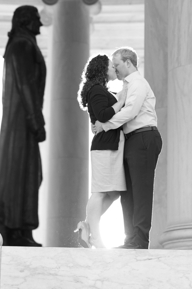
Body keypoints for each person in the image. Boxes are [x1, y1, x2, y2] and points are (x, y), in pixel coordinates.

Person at [0, 5, 47, 247]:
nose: (40, 24)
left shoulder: (22, 44)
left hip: (21, 121)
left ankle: (21, 228)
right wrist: (36, 120)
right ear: (25, 21)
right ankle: (14, 228)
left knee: (30, 173)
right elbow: (25, 85)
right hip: (21, 122)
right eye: (36, 19)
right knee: (21, 173)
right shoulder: (22, 46)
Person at [93, 47, 162, 249]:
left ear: (129, 63)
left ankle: (140, 241)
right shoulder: (125, 86)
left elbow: (131, 111)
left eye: (117, 65)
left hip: (144, 137)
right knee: (128, 192)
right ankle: (130, 240)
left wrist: (105, 125)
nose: (115, 69)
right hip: (131, 139)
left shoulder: (138, 83)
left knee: (140, 191)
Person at [74, 54, 127, 248]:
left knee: (113, 193)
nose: (114, 68)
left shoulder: (99, 90)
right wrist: (121, 101)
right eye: (111, 66)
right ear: (103, 69)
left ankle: (87, 226)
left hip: (109, 144)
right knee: (100, 191)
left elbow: (99, 117)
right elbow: (103, 115)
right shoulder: (96, 90)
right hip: (104, 146)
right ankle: (94, 235)